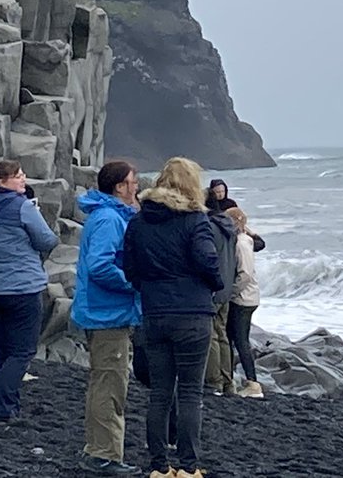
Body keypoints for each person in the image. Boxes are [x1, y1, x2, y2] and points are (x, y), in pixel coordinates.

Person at [123, 157, 221, 478]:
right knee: (191, 391)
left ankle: (159, 467)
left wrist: (149, 287)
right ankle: (189, 467)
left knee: (160, 392)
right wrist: (215, 286)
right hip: (192, 313)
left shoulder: (139, 222)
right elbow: (208, 261)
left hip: (155, 313)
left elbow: (130, 269)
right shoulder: (195, 220)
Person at [0, 160, 59, 421]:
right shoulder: (22, 207)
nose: (24, 179)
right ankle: (3, 407)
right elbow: (47, 240)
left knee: (5, 350)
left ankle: (7, 406)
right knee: (22, 352)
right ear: (2, 181)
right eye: (18, 176)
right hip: (21, 288)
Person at [72, 161, 143, 476]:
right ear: (119, 186)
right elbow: (100, 265)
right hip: (107, 313)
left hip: (105, 311)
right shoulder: (109, 219)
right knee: (110, 385)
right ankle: (103, 455)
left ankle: (98, 450)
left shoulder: (109, 216)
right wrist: (133, 283)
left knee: (105, 381)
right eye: (133, 181)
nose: (137, 186)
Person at [222, 207, 264, 398]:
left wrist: (231, 293)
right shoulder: (243, 241)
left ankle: (252, 383)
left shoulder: (241, 243)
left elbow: (245, 273)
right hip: (247, 297)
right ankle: (232, 378)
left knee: (240, 340)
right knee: (234, 338)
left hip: (243, 299)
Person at [202, 205, 238, 396]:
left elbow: (208, 258)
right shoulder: (230, 229)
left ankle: (214, 380)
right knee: (223, 335)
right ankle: (228, 381)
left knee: (213, 336)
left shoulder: (209, 228)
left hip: (214, 289)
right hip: (227, 288)